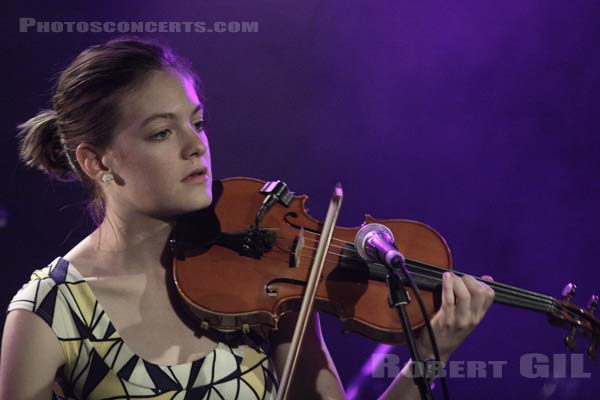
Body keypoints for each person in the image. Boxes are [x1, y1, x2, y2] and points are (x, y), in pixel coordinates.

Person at [0, 37, 495, 400]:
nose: (196, 146)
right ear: (97, 161)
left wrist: (429, 354)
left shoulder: (258, 276)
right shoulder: (48, 315)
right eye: (160, 133)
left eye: (196, 123)